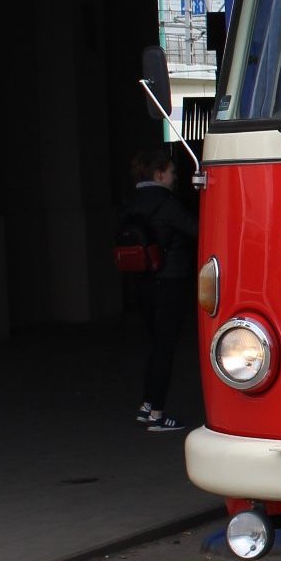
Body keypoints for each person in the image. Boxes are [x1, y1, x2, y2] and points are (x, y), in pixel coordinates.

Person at [122, 146, 200, 432]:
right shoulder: (165, 202)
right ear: (159, 173)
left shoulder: (132, 200)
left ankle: (146, 404)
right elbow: (196, 228)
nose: (175, 177)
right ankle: (156, 413)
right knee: (165, 348)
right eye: (172, 172)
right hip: (169, 281)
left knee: (155, 345)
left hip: (141, 282)